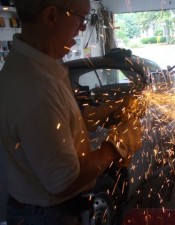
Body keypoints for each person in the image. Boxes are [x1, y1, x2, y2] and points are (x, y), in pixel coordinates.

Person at [0, 0, 128, 224]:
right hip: (47, 216)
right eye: (81, 17)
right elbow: (64, 182)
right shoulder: (35, 86)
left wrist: (101, 113)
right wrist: (118, 144)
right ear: (51, 16)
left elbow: (54, 123)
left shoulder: (39, 67)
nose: (82, 28)